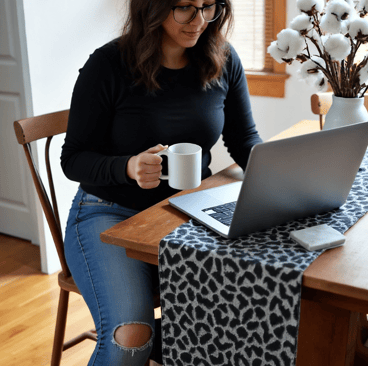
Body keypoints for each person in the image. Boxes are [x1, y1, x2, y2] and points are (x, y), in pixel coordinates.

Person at [61, 0, 262, 364]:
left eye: (208, 6)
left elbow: (244, 138)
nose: (199, 19)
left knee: (245, 303)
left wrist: (276, 176)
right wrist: (128, 167)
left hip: (188, 213)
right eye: (184, 7)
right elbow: (73, 159)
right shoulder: (108, 65)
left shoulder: (223, 59)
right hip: (107, 214)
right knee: (133, 334)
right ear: (151, 8)